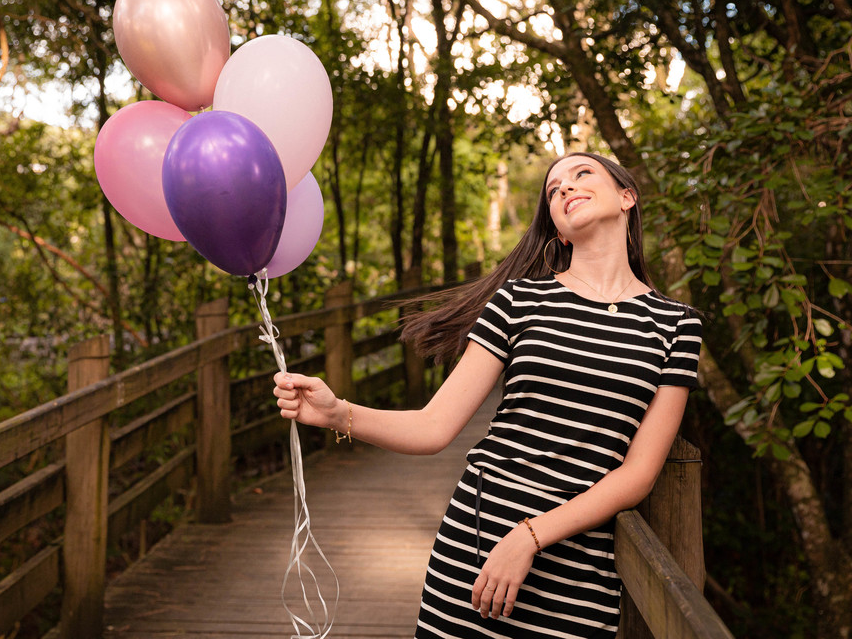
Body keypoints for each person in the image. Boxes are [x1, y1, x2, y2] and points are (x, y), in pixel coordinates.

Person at [272, 151, 702, 638]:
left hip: (577, 575)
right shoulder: (519, 301)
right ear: (559, 230)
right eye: (553, 188)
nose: (565, 187)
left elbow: (638, 473)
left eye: (583, 174)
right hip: (474, 547)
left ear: (627, 197)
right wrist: (337, 413)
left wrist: (530, 536)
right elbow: (434, 427)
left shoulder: (676, 326)